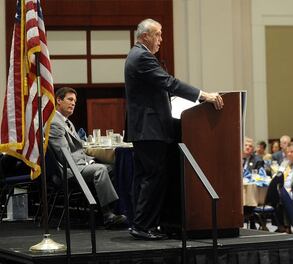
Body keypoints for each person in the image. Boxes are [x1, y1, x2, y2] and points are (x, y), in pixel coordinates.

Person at [125, 18, 224, 240]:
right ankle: (143, 226)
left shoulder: (138, 56)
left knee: (144, 177)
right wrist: (203, 96)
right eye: (158, 34)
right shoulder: (141, 57)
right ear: (144, 36)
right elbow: (170, 83)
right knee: (152, 177)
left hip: (145, 129)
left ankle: (141, 224)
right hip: (149, 129)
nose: (161, 39)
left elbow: (162, 88)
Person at [48, 87, 127, 228]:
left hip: (78, 164)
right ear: (58, 100)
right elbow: (64, 154)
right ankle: (107, 215)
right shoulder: (55, 123)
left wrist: (89, 159)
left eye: (75, 101)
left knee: (113, 167)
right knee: (101, 170)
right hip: (69, 170)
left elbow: (77, 148)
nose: (73, 103)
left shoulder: (67, 122)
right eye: (70, 99)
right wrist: (88, 161)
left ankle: (113, 210)